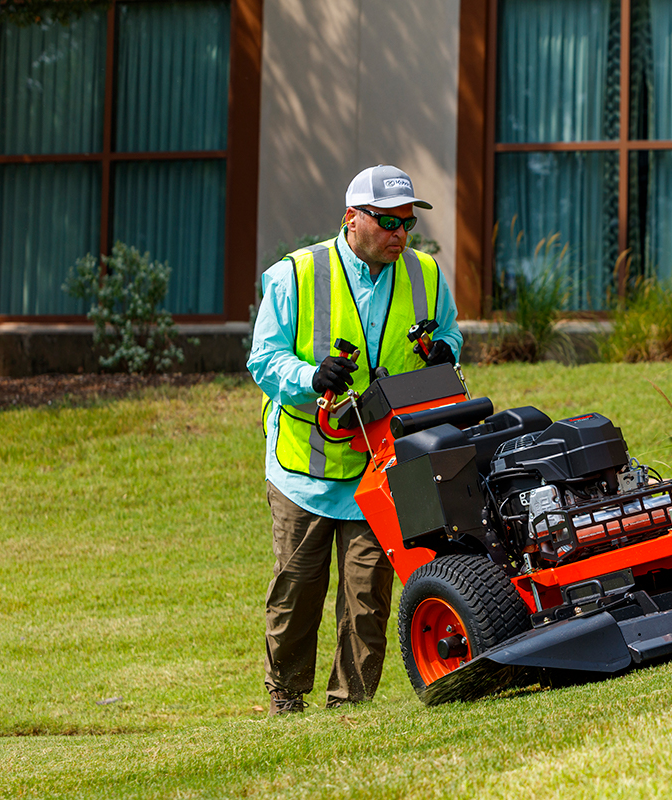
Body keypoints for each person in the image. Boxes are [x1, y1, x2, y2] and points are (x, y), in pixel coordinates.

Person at [247, 164, 462, 715]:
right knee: (296, 594)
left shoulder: (427, 274)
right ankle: (286, 698)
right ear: (352, 218)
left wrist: (446, 352)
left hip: (385, 466)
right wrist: (309, 377)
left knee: (367, 599)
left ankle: (351, 708)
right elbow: (264, 359)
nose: (399, 233)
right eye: (387, 221)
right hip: (306, 471)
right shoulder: (293, 275)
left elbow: (449, 332)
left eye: (407, 223)